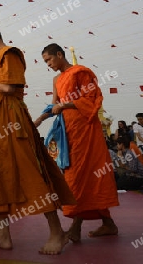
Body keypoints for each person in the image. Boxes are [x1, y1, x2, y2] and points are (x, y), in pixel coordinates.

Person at [0, 21, 76, 255]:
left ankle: (57, 232)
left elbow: (9, 88)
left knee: (31, 171)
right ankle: (2, 234)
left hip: (11, 120)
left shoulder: (10, 54)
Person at [35, 43, 119, 243]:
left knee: (80, 177)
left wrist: (68, 104)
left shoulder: (80, 72)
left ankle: (75, 226)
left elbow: (92, 98)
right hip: (67, 133)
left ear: (60, 54)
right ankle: (108, 224)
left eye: (49, 59)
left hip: (86, 130)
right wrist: (38, 120)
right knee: (82, 176)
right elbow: (54, 106)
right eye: (45, 62)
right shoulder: (56, 80)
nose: (48, 64)